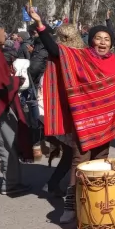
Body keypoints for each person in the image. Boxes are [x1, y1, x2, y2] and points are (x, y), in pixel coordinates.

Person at [28, 7, 115, 223]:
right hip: (84, 124)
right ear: (90, 41)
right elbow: (54, 50)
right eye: (98, 38)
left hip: (107, 124)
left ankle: (97, 203)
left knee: (101, 163)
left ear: (111, 43)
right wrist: (40, 24)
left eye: (106, 39)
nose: (102, 42)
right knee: (79, 164)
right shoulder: (80, 57)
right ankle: (71, 205)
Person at [0, 18, 32, 195]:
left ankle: (12, 181)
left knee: (7, 144)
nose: (6, 34)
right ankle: (10, 184)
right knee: (8, 145)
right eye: (4, 31)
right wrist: (17, 80)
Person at [43, 23, 86, 197]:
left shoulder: (77, 54)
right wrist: (40, 27)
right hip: (67, 110)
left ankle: (56, 185)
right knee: (72, 153)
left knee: (72, 153)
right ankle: (64, 188)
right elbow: (52, 48)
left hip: (75, 108)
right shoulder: (62, 54)